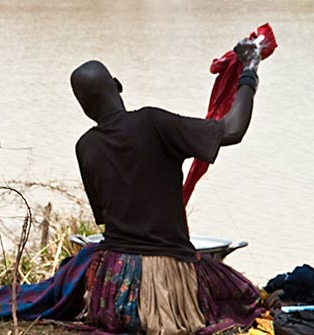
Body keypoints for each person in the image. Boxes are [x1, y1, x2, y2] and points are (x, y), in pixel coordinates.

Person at [69, 40, 266, 334]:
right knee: (244, 293)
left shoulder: (85, 146)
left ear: (84, 108)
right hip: (167, 282)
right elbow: (232, 130)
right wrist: (249, 71)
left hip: (114, 288)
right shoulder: (152, 122)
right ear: (118, 85)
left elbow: (105, 217)